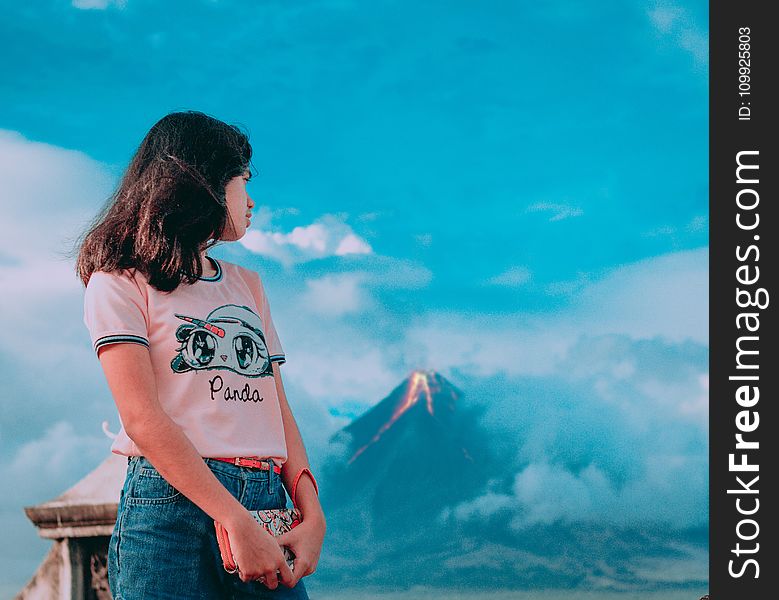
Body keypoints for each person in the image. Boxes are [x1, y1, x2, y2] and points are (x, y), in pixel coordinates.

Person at [75, 110, 325, 599]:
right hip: (168, 514)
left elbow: (277, 408)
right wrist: (233, 519)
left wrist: (311, 511)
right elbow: (143, 419)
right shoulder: (118, 284)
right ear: (204, 185)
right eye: (242, 183)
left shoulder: (247, 285)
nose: (251, 201)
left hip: (268, 500)